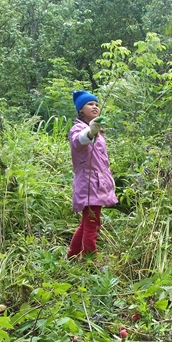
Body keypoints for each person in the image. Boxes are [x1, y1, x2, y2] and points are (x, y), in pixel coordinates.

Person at [67, 90, 118, 260]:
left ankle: (72, 256)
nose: (95, 107)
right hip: (89, 184)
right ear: (81, 109)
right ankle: (91, 261)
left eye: (96, 104)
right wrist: (90, 132)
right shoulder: (78, 129)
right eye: (90, 104)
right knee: (92, 225)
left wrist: (94, 130)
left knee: (86, 224)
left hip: (98, 183)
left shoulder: (98, 130)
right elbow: (79, 141)